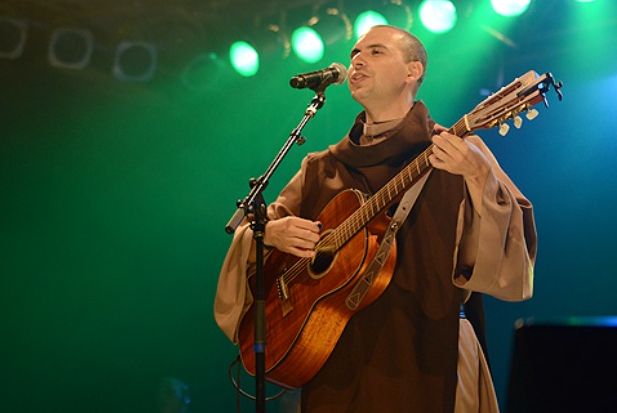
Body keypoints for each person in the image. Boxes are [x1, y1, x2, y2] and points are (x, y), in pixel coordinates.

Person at [214, 25, 536, 412]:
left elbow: (511, 253)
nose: (357, 60)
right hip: (331, 353)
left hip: (425, 347)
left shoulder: (459, 150)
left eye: (376, 52)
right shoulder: (322, 167)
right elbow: (255, 233)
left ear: (412, 71)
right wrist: (270, 235)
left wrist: (479, 177)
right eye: (354, 53)